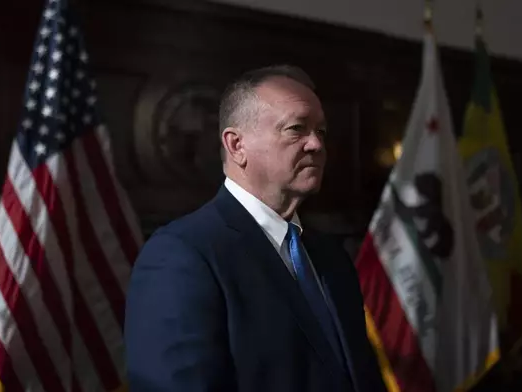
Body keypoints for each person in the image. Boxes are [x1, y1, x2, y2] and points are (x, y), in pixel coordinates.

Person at [124, 65, 387, 392]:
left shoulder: (331, 256)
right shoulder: (182, 256)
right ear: (236, 145)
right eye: (296, 129)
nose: (316, 145)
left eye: (321, 131)